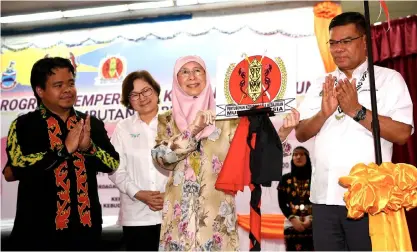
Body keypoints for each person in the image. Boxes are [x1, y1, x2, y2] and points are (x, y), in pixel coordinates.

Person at [151, 55, 299, 251]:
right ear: (176, 79)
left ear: (207, 76)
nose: (192, 77)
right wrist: (193, 129)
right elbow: (161, 158)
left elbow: (252, 155)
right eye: (184, 72)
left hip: (217, 217)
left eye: (198, 70)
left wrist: (282, 134)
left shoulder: (227, 118)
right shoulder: (166, 120)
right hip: (178, 220)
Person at [295, 12, 414, 251]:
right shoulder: (321, 83)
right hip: (324, 200)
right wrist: (323, 114)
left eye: (346, 41)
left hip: (369, 200)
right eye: (333, 43)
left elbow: (402, 133)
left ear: (365, 41)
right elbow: (301, 134)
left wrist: (357, 111)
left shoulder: (389, 79)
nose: (338, 49)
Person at [2, 57, 120, 251]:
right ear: (40, 91)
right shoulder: (23, 125)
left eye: (71, 83)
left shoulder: (90, 123)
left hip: (86, 232)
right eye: (58, 85)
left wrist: (89, 148)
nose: (67, 90)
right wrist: (63, 150)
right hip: (35, 234)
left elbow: (112, 164)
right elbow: (19, 166)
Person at [108, 70, 169, 251]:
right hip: (136, 216)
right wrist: (138, 193)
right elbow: (114, 169)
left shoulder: (174, 122)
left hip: (173, 211)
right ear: (128, 100)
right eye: (134, 94)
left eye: (146, 91)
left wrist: (171, 195)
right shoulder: (123, 128)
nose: (142, 98)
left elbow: (188, 167)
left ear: (156, 91)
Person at [278, 146, 313, 251]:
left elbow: (320, 200)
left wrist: (311, 219)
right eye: (295, 154)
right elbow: (282, 203)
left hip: (313, 224)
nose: (298, 157)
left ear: (307, 158)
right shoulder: (285, 179)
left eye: (302, 154)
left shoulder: (315, 178)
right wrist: (293, 219)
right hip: (291, 224)